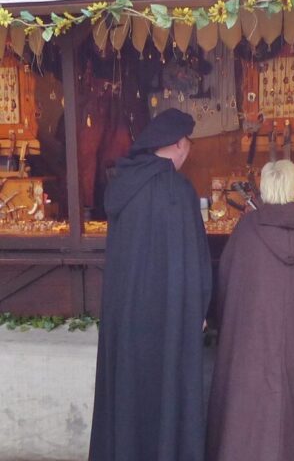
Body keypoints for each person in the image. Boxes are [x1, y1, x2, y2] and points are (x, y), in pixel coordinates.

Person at [89, 108, 212, 461]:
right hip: (168, 315)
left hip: (126, 312)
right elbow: (195, 258)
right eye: (188, 142)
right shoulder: (177, 190)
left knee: (127, 390)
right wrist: (199, 308)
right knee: (166, 391)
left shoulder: (122, 186)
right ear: (176, 144)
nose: (189, 149)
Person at [206, 159, 294, 461]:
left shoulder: (247, 231)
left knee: (247, 417)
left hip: (251, 341)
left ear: (264, 189)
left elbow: (226, 285)